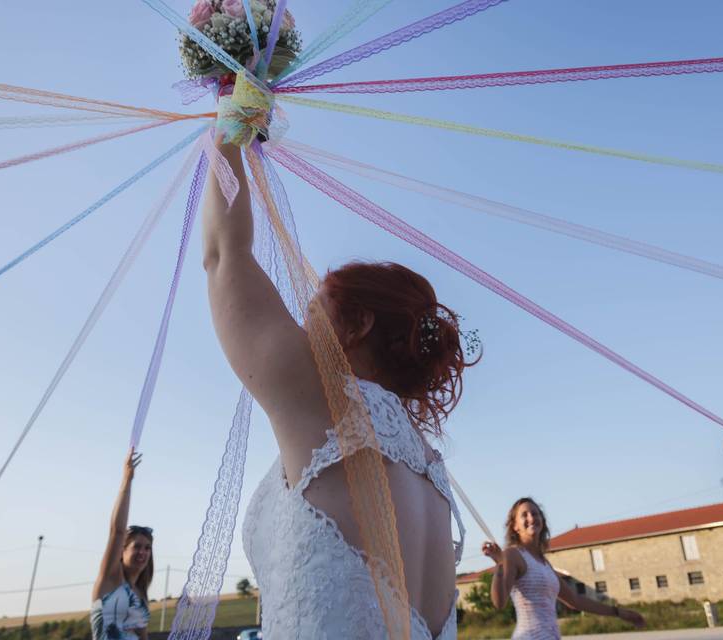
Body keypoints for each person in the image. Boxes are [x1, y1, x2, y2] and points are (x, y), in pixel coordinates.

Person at [202, 138, 477, 638]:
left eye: (311, 315)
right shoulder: (428, 466)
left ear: (356, 327)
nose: (298, 335)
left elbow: (224, 257)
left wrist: (228, 128)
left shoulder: (333, 406)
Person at [481, 497, 644, 639]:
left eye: (535, 513)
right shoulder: (513, 554)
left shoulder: (544, 564)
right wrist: (500, 564)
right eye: (524, 515)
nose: (531, 517)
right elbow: (499, 602)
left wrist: (618, 612)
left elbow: (575, 600)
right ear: (515, 526)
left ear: (542, 521)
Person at [91, 450, 152, 640]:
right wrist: (127, 480)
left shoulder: (140, 593)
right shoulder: (111, 579)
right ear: (122, 551)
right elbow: (117, 531)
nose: (142, 552)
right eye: (137, 546)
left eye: (147, 548)